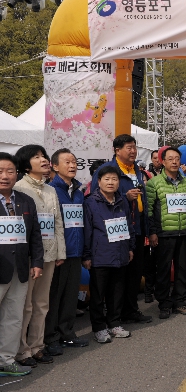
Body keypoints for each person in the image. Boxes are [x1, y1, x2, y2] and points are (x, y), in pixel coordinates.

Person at [13, 145, 66, 367]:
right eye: (37, 157)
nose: (43, 159)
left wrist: (60, 251)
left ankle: (37, 346)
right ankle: (21, 350)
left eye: (44, 156)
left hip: (50, 253)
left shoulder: (50, 189)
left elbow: (57, 223)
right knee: (24, 305)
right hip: (28, 256)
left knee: (42, 303)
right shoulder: (18, 188)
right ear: (26, 165)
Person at [91, 135, 151, 325]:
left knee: (134, 274)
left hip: (135, 229)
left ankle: (130, 310)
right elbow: (96, 199)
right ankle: (111, 315)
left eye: (134, 147)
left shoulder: (137, 171)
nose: (133, 151)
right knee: (116, 278)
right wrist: (125, 197)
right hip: (112, 233)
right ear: (117, 150)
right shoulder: (107, 170)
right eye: (129, 148)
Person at [0, 152, 43, 377]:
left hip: (20, 268)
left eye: (10, 171)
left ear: (17, 173)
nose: (5, 176)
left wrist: (36, 262)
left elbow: (35, 234)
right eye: (0, 171)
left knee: (14, 317)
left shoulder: (24, 200)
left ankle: (6, 360)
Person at [44, 149, 88, 357]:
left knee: (71, 296)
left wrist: (84, 252)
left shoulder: (78, 192)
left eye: (74, 162)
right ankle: (50, 337)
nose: (72, 165)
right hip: (58, 254)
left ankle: (67, 332)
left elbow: (82, 223)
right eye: (67, 162)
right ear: (54, 166)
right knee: (54, 297)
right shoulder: (51, 191)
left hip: (76, 252)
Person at [83, 166, 135, 343]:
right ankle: (99, 327)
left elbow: (129, 226)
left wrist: (130, 247)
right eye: (107, 179)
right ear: (99, 182)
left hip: (120, 254)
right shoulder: (90, 202)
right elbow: (87, 231)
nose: (111, 182)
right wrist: (87, 255)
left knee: (117, 292)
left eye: (114, 179)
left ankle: (114, 323)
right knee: (98, 295)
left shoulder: (122, 201)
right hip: (100, 256)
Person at [146, 147, 186, 319]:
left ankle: (179, 301)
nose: (174, 162)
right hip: (164, 233)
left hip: (183, 232)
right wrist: (152, 232)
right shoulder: (154, 183)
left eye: (177, 158)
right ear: (163, 161)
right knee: (164, 270)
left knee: (182, 269)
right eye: (171, 159)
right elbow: (149, 210)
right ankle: (164, 303)